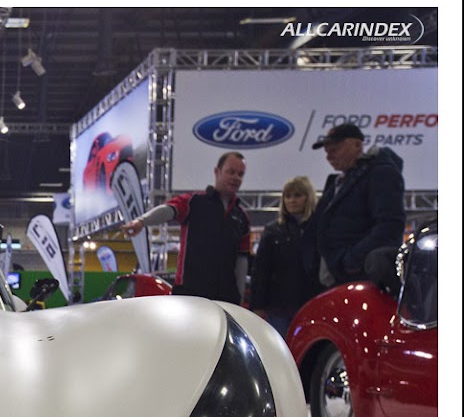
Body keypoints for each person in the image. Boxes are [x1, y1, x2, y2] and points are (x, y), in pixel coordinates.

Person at [120, 151, 251, 305]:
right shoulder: (194, 202)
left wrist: (239, 299)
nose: (236, 177)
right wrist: (141, 221)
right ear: (217, 172)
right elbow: (169, 210)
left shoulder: (242, 217)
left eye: (240, 174)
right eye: (231, 172)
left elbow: (242, 262)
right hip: (190, 294)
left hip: (226, 299)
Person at [310, 122, 405, 292]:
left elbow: (390, 226)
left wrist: (350, 261)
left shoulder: (380, 173)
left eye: (334, 149)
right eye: (327, 151)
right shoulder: (341, 182)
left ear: (357, 145)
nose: (329, 156)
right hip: (340, 278)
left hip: (361, 279)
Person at [249, 176, 322, 338]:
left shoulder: (319, 229)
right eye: (288, 196)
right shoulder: (272, 231)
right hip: (278, 307)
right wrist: (257, 306)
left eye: (297, 195)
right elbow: (260, 270)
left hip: (311, 303)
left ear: (308, 198)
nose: (291, 200)